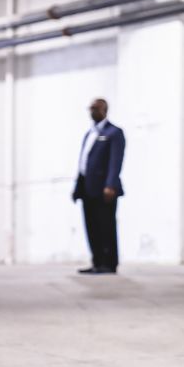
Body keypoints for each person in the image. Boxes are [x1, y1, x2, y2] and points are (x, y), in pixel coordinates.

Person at [72, 98, 125, 274]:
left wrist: (110, 184)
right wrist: (77, 187)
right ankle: (97, 261)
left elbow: (115, 162)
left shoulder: (114, 132)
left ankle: (109, 263)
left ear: (104, 109)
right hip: (87, 189)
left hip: (104, 190)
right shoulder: (90, 133)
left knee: (106, 226)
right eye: (90, 108)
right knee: (91, 227)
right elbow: (83, 163)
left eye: (95, 108)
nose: (91, 111)